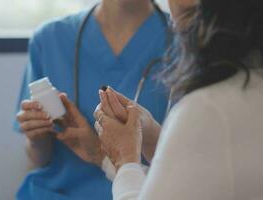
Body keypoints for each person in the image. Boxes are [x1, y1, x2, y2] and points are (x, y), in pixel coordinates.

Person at [93, 0, 263, 199]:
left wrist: (125, 159)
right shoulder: (247, 90)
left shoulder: (207, 108)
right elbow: (198, 180)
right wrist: (154, 138)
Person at [13, 0, 170, 199]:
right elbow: (40, 159)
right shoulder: (49, 39)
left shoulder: (190, 42)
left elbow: (190, 168)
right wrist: (37, 137)